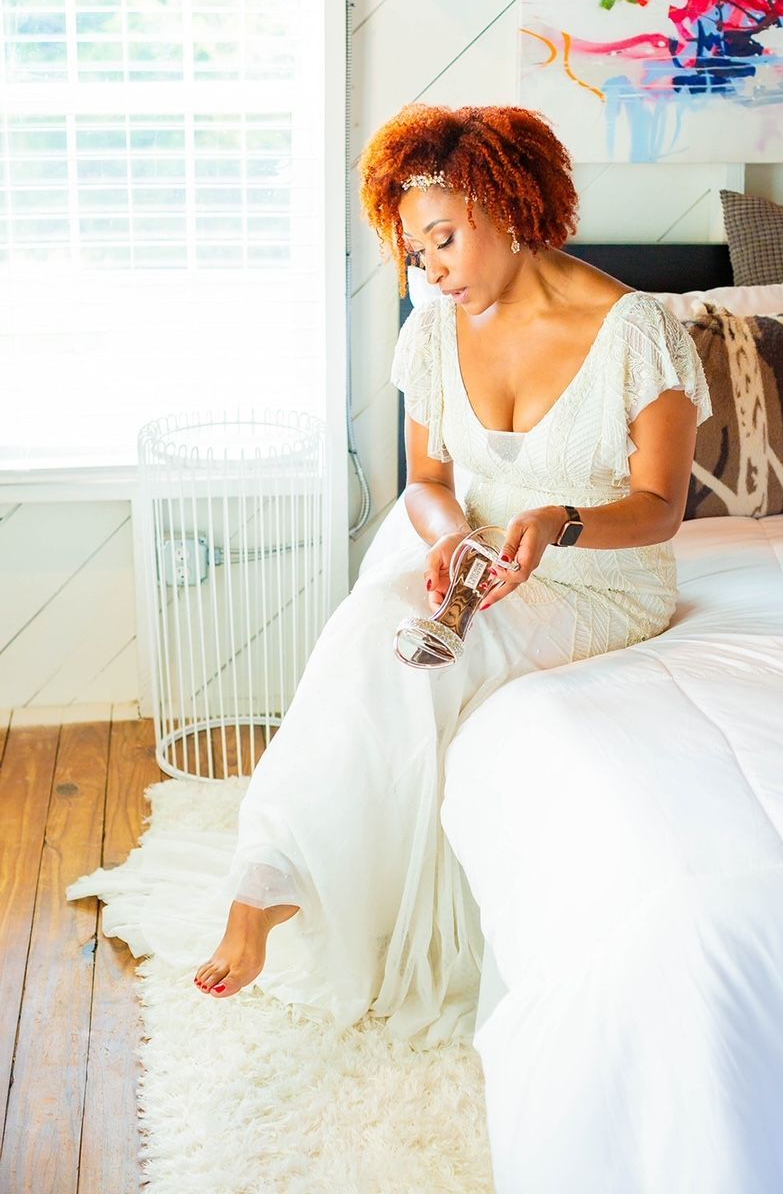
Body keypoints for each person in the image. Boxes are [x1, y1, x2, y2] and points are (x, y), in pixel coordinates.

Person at [68, 103, 712, 1051]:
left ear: (507, 206)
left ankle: (282, 882)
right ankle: (270, 877)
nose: (430, 271)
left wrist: (557, 523)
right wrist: (450, 536)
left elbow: (661, 505)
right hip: (476, 555)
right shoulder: (433, 328)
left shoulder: (636, 329)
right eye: (414, 254)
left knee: (423, 660)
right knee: (374, 627)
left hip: (598, 581)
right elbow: (430, 485)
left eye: (443, 241)